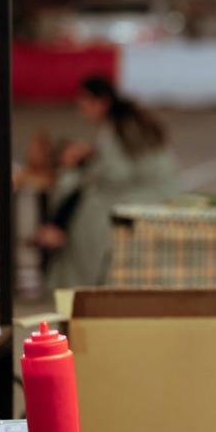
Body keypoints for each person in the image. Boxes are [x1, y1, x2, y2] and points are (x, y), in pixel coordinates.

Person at [35, 76, 177, 289]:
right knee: (76, 191)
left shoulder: (120, 127)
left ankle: (82, 281)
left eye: (84, 105)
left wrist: (85, 162)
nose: (81, 111)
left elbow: (118, 173)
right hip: (143, 187)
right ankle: (59, 239)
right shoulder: (125, 122)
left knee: (85, 210)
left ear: (101, 102)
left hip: (147, 192)